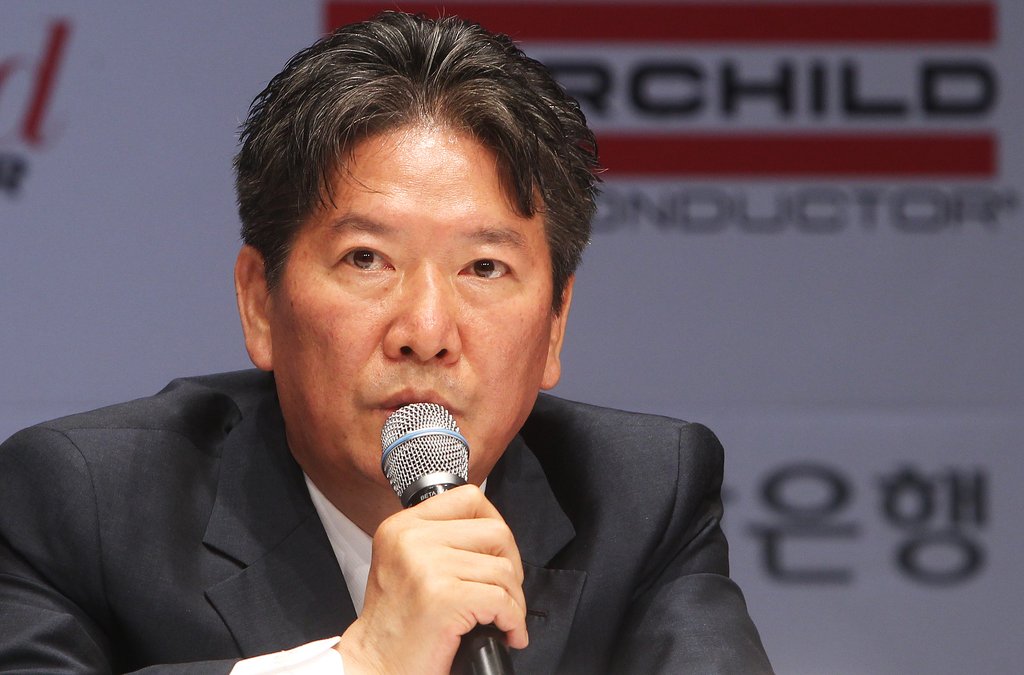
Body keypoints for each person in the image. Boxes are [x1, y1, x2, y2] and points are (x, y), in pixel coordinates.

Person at [0, 11, 772, 674]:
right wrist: (360, 663)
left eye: (484, 267)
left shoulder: (641, 498)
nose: (426, 333)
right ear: (260, 302)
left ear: (554, 325)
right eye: (367, 259)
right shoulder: (83, 503)